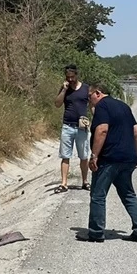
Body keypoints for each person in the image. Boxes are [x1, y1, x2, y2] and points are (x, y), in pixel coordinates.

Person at [77, 84, 137, 243]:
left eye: (89, 98)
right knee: (128, 194)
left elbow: (102, 130)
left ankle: (96, 232)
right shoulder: (123, 106)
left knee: (98, 195)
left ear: (98, 93)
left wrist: (94, 156)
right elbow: (136, 132)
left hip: (109, 159)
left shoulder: (102, 106)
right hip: (127, 160)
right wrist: (134, 156)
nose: (89, 102)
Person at [53, 65, 90, 193]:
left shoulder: (86, 88)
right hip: (67, 126)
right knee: (65, 155)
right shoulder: (65, 88)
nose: (70, 80)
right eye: (68, 77)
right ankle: (64, 183)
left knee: (84, 156)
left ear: (76, 75)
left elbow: (92, 105)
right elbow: (57, 104)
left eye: (72, 77)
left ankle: (85, 181)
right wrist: (63, 90)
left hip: (81, 127)